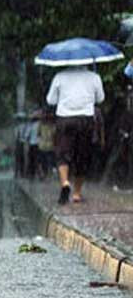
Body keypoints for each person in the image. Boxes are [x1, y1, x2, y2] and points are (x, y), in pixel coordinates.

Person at [47, 65, 104, 203]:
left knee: (63, 153)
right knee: (82, 155)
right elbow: (100, 99)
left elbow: (50, 100)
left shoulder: (59, 77)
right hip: (85, 119)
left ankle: (65, 183)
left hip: (65, 119)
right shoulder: (94, 77)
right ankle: (77, 194)